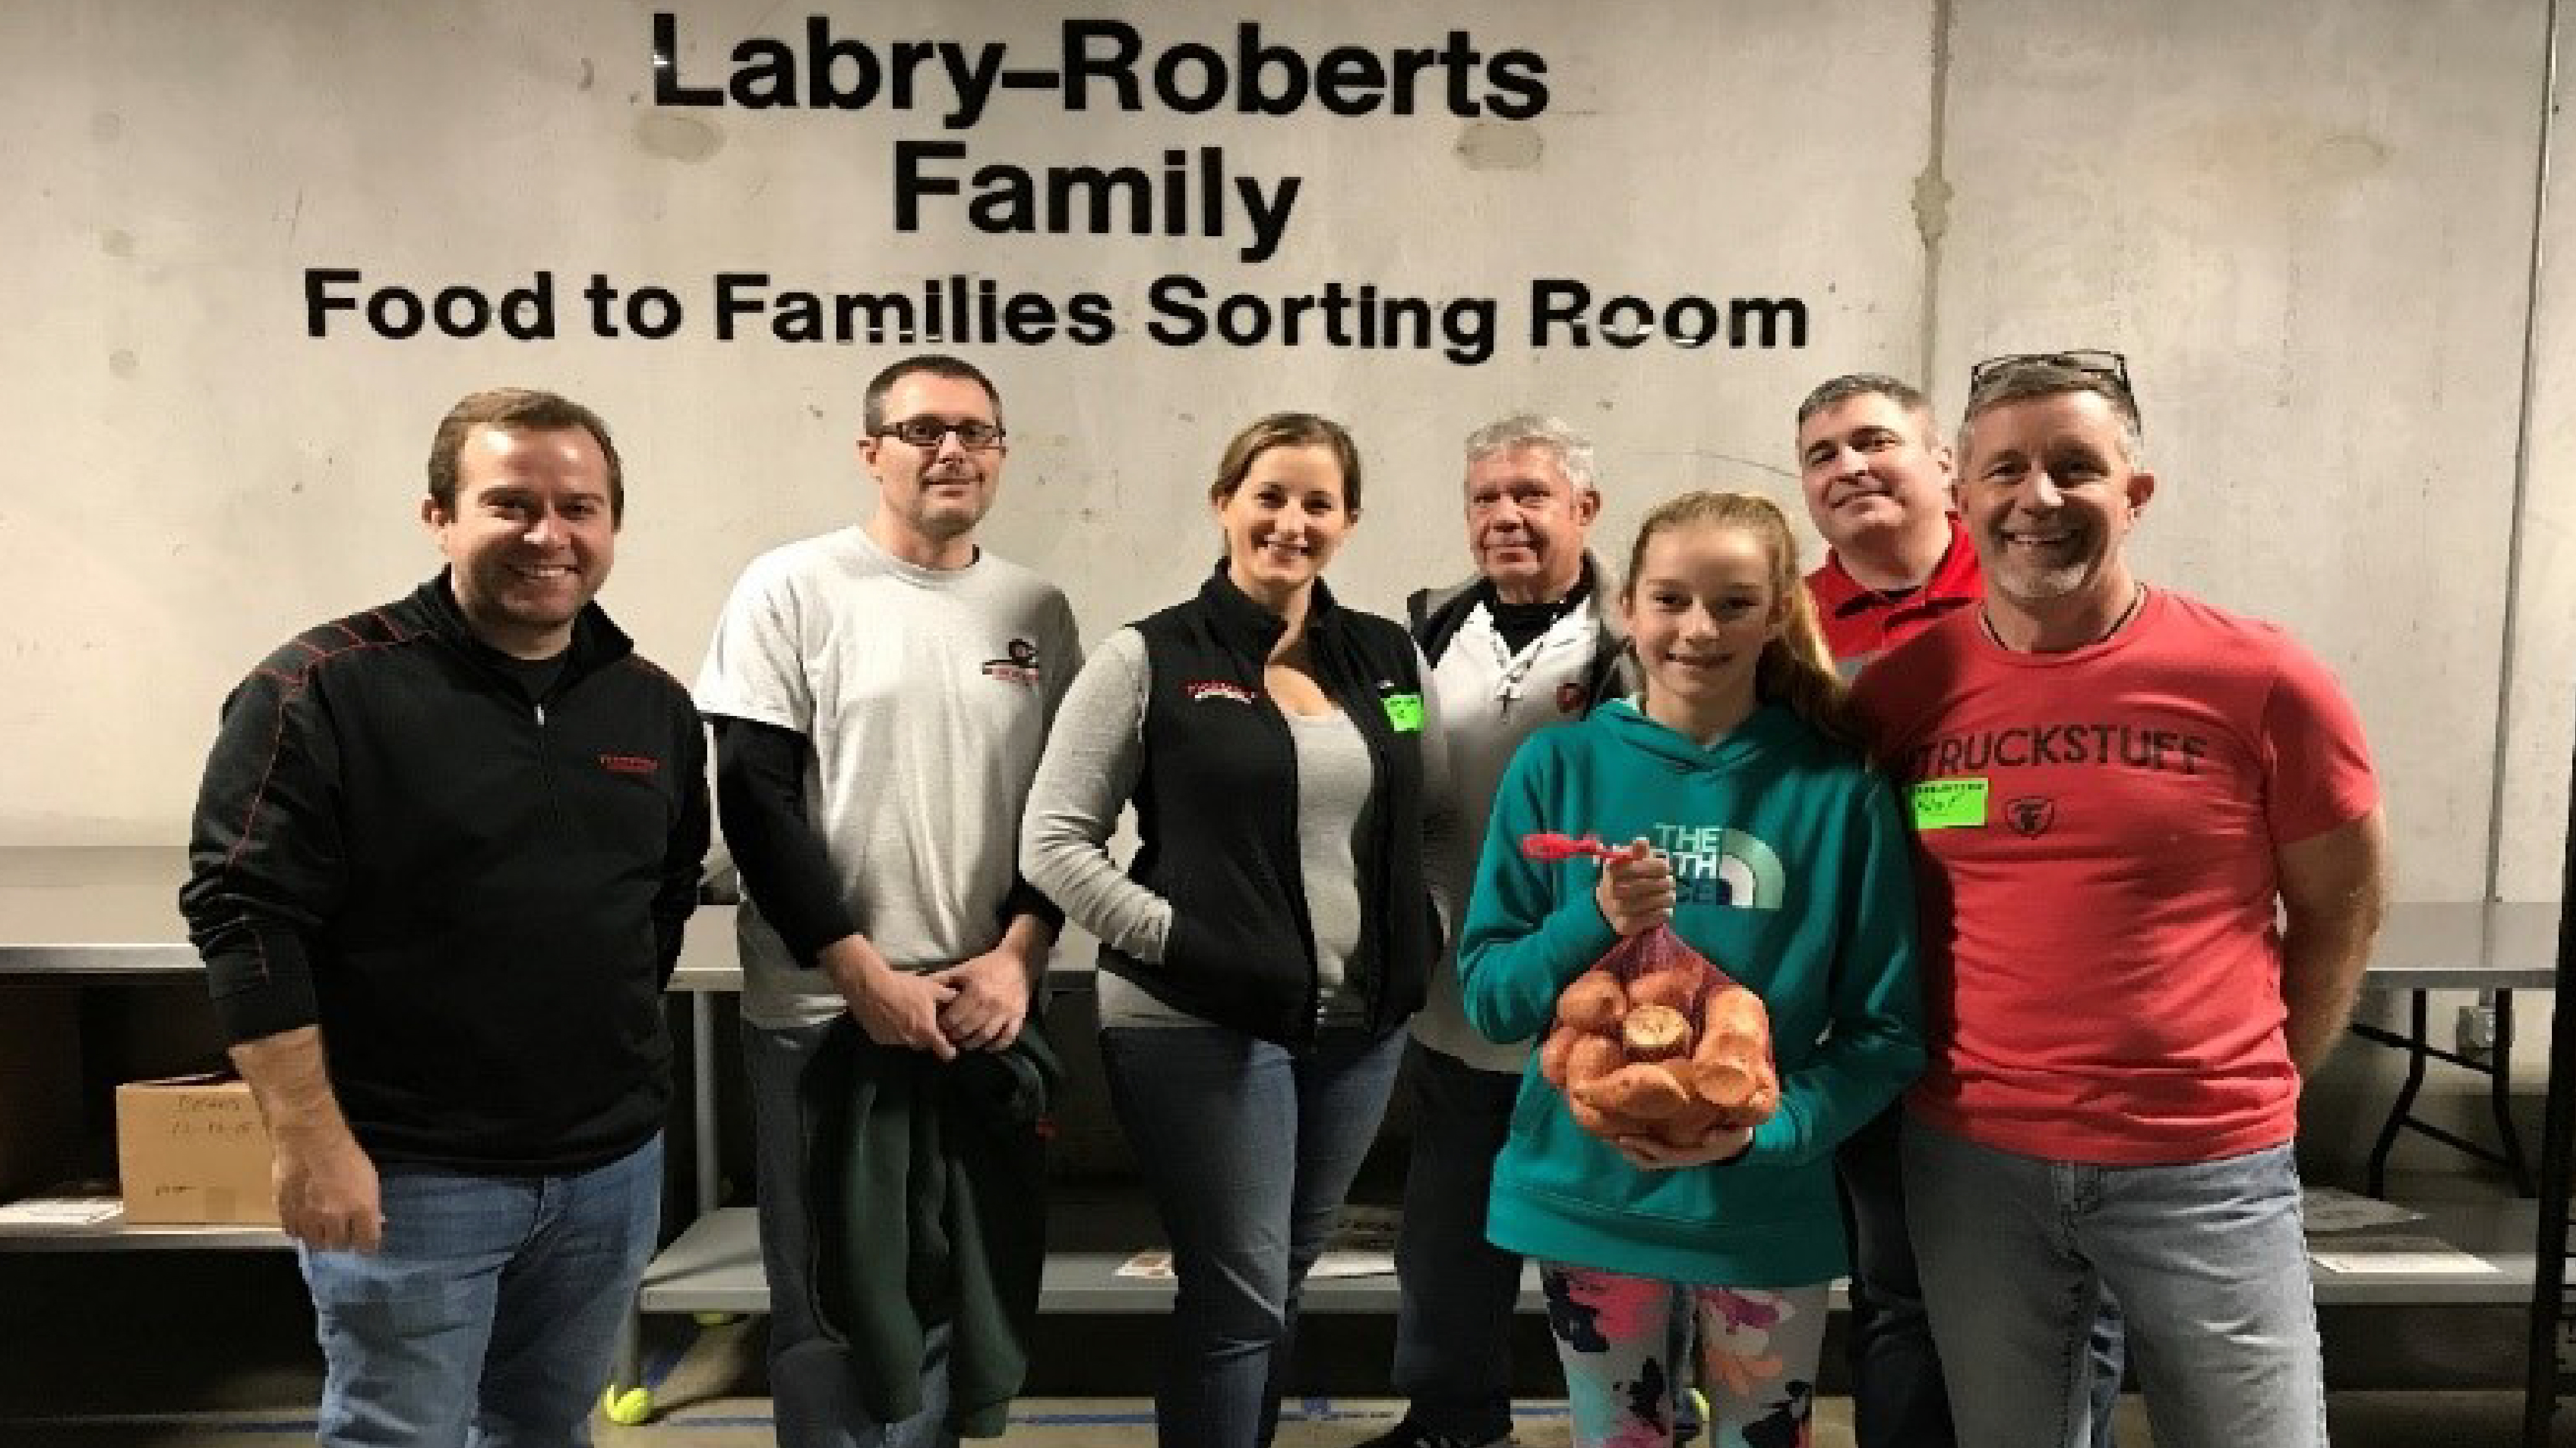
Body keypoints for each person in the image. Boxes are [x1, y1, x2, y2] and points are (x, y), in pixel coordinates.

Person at [1851, 351, 2388, 1447]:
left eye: (2074, 467)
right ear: (1963, 493)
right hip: (1972, 1167)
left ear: (2134, 494)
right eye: (2005, 470)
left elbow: (2342, 904)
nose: (2036, 498)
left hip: (2205, 1167)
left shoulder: (2262, 678)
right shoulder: (1905, 690)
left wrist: (2266, 1073)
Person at [180, 387, 710, 1447]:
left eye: (579, 506)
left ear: (612, 524)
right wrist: (312, 1142)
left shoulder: (648, 702)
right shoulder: (321, 689)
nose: (548, 534)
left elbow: (661, 895)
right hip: (413, 1172)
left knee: (543, 1426)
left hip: (609, 1169)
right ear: (441, 517)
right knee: (401, 1431)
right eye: (510, 503)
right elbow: (242, 914)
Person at [1021, 412, 1453, 1448]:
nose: (1291, 522)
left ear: (1348, 521)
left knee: (1277, 1282)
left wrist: (1423, 929)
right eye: (1269, 495)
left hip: (1358, 1026)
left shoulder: (1388, 658)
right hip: (1199, 1024)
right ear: (1225, 503)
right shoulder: (1151, 656)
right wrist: (1187, 944)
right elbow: (1055, 842)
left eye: (1317, 502)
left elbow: (1434, 820)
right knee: (1242, 1292)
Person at [1458, 490, 1924, 1448]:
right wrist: (1593, 921)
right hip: (1590, 1200)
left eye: (1733, 603)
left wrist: (1768, 1131)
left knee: (1765, 1436)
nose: (1698, 629)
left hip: (1762, 1206)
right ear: (1628, 604)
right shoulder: (1557, 768)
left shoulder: (1840, 787)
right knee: (1621, 1437)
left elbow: (1888, 1030)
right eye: (1670, 599)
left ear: (1776, 614)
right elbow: (1493, 998)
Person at [694, 354, 1080, 1447]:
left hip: (983, 1008)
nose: (950, 448)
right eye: (921, 429)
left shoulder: (1035, 610)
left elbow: (1064, 810)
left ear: (1000, 454)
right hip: (828, 1014)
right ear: (872, 452)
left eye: (975, 430)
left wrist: (1018, 956)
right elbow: (757, 798)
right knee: (833, 1299)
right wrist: (857, 969)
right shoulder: (792, 587)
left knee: (968, 1274)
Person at [1793, 372, 2123, 1448]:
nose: (1848, 468)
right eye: (1822, 454)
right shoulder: (1784, 626)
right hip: (1877, 1021)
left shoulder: (2042, 580)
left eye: (1874, 441)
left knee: (2073, 1299)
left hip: (2042, 1023)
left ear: (1946, 467)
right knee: (1900, 1298)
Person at [1363, 413, 1628, 1448]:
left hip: (1590, 995)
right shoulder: (1425, 626)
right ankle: (1452, 1421)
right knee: (1446, 1239)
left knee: (1604, 1244)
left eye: (1530, 494)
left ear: (1584, 510)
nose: (1505, 516)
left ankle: (1635, 1420)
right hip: (1455, 991)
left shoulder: (1631, 633)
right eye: (1486, 497)